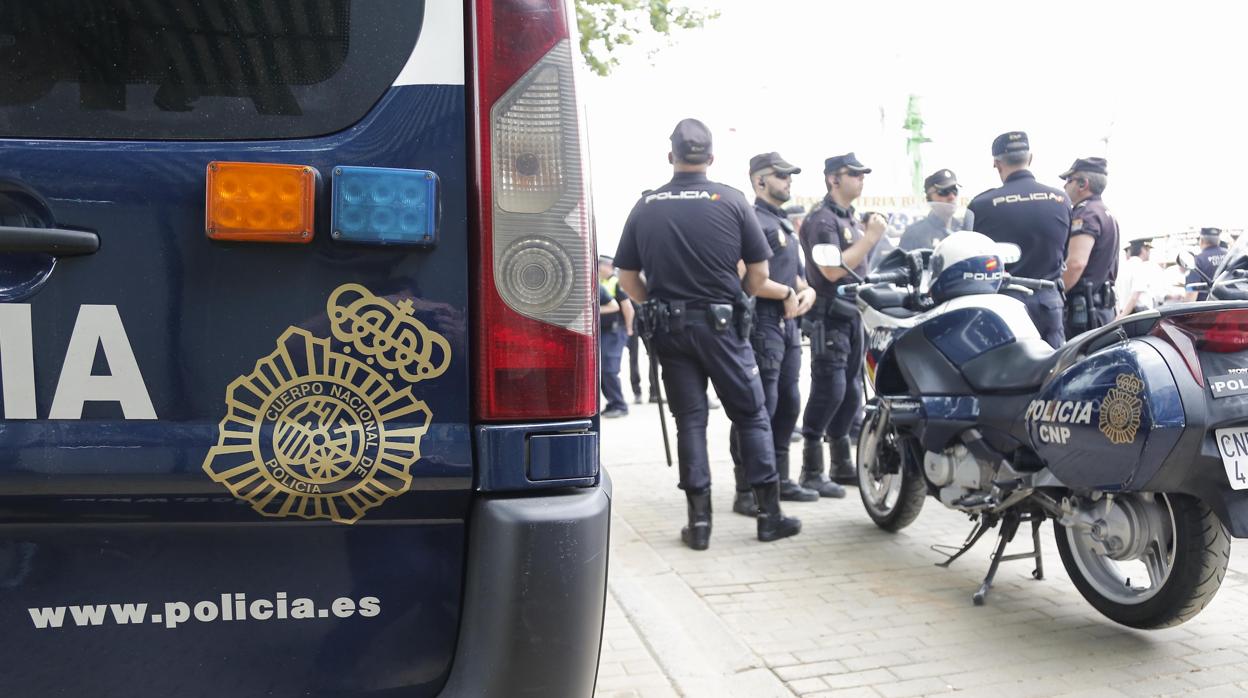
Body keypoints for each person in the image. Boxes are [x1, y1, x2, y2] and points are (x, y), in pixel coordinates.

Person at [614, 118, 802, 550]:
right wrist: (733, 296)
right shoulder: (732, 201)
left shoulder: (646, 206)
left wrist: (654, 303)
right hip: (723, 330)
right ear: (712, 158)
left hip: (670, 331)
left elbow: (626, 277)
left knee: (691, 423)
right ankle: (768, 516)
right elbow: (759, 276)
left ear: (671, 157)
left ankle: (699, 526)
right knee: (752, 415)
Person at [728, 152, 820, 516]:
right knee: (756, 408)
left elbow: (793, 275)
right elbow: (742, 276)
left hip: (788, 325)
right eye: (781, 175)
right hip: (761, 323)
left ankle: (779, 479)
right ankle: (748, 488)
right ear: (759, 181)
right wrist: (783, 292)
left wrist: (806, 289)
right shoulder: (750, 219)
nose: (788, 181)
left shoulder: (781, 223)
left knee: (787, 404)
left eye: (789, 176)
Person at [799, 153, 887, 496]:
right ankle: (811, 469)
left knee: (851, 391)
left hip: (853, 316)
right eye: (854, 174)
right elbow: (832, 270)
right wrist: (870, 238)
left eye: (863, 174)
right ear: (833, 179)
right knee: (829, 389)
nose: (861, 179)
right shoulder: (822, 220)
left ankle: (840, 464)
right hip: (829, 317)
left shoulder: (846, 217)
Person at [968, 131, 1071, 348]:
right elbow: (1066, 254)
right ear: (1030, 159)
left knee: (1004, 373)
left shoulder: (981, 204)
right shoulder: (1061, 199)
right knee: (1053, 370)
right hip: (1049, 302)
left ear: (996, 163)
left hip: (1004, 305)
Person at [1059, 157, 1120, 334]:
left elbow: (1076, 263)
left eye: (1068, 181)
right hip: (1101, 309)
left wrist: (1056, 295)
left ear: (1082, 184)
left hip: (1084, 313)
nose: (1064, 187)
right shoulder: (1104, 212)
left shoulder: (1086, 213)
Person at [898, 169, 970, 251]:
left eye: (954, 190)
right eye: (943, 192)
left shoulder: (964, 229)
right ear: (929, 198)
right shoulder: (914, 233)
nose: (952, 197)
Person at [598, 255, 633, 417]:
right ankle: (612, 403)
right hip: (605, 333)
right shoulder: (601, 283)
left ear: (608, 267)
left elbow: (627, 307)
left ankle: (620, 405)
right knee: (602, 370)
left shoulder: (617, 282)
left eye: (600, 265)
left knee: (609, 370)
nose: (598, 268)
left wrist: (629, 329)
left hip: (615, 331)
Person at [1117, 237, 1156, 318]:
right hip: (1138, 314)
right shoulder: (1140, 267)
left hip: (1125, 312)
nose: (1149, 253)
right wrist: (1121, 317)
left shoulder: (1123, 267)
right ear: (1142, 250)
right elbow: (1135, 296)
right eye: (1148, 250)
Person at [1185, 228, 1228, 301]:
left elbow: (1191, 295)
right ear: (1218, 240)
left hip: (1208, 309)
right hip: (1234, 306)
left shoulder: (1198, 260)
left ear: (1201, 240)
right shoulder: (1230, 256)